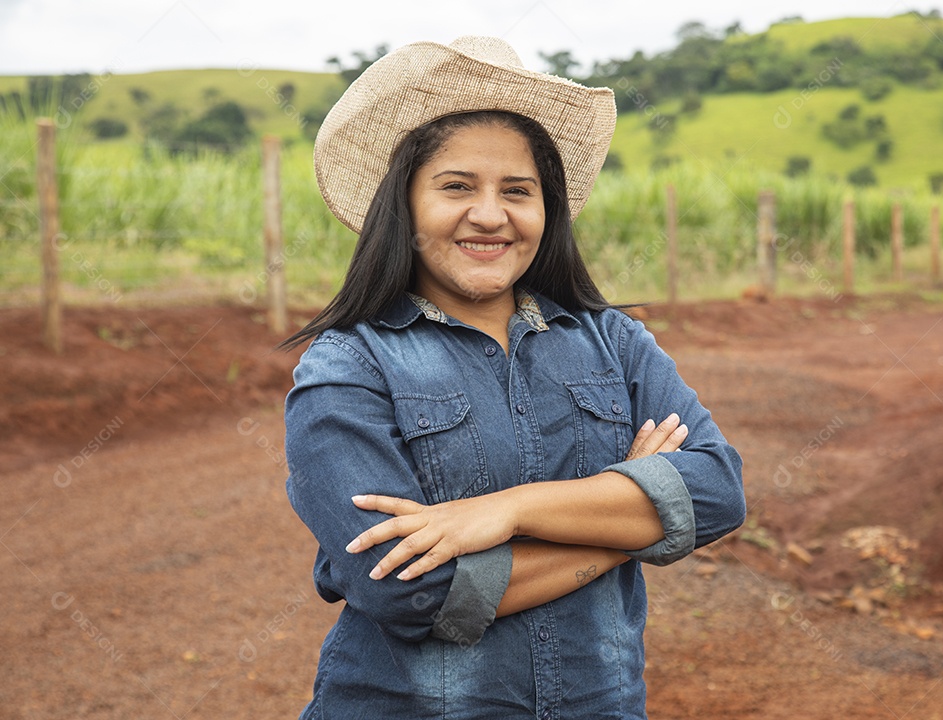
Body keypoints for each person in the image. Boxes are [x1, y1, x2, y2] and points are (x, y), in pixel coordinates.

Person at [281, 36, 745, 719]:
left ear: (546, 210)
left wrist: (508, 510)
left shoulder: (614, 342)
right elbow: (406, 588)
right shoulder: (348, 365)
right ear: (402, 206)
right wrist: (629, 523)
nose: (491, 214)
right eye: (456, 186)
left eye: (518, 191)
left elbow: (716, 492)